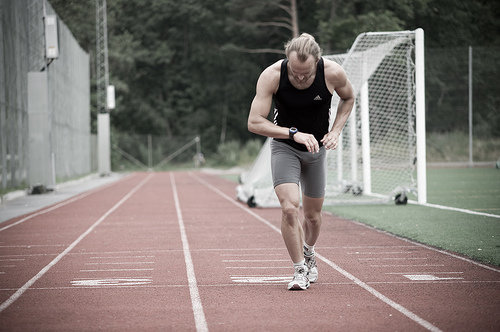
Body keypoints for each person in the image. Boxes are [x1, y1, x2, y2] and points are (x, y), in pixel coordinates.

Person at [247, 33, 354, 290]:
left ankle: (309, 251)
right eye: (295, 72)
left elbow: (348, 98)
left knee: (313, 216)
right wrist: (293, 133)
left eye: (306, 74)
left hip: (317, 151)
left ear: (317, 63)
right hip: (285, 147)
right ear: (287, 61)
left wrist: (336, 130)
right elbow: (254, 122)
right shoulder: (272, 75)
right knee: (288, 207)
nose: (300, 77)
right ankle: (299, 270)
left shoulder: (333, 73)